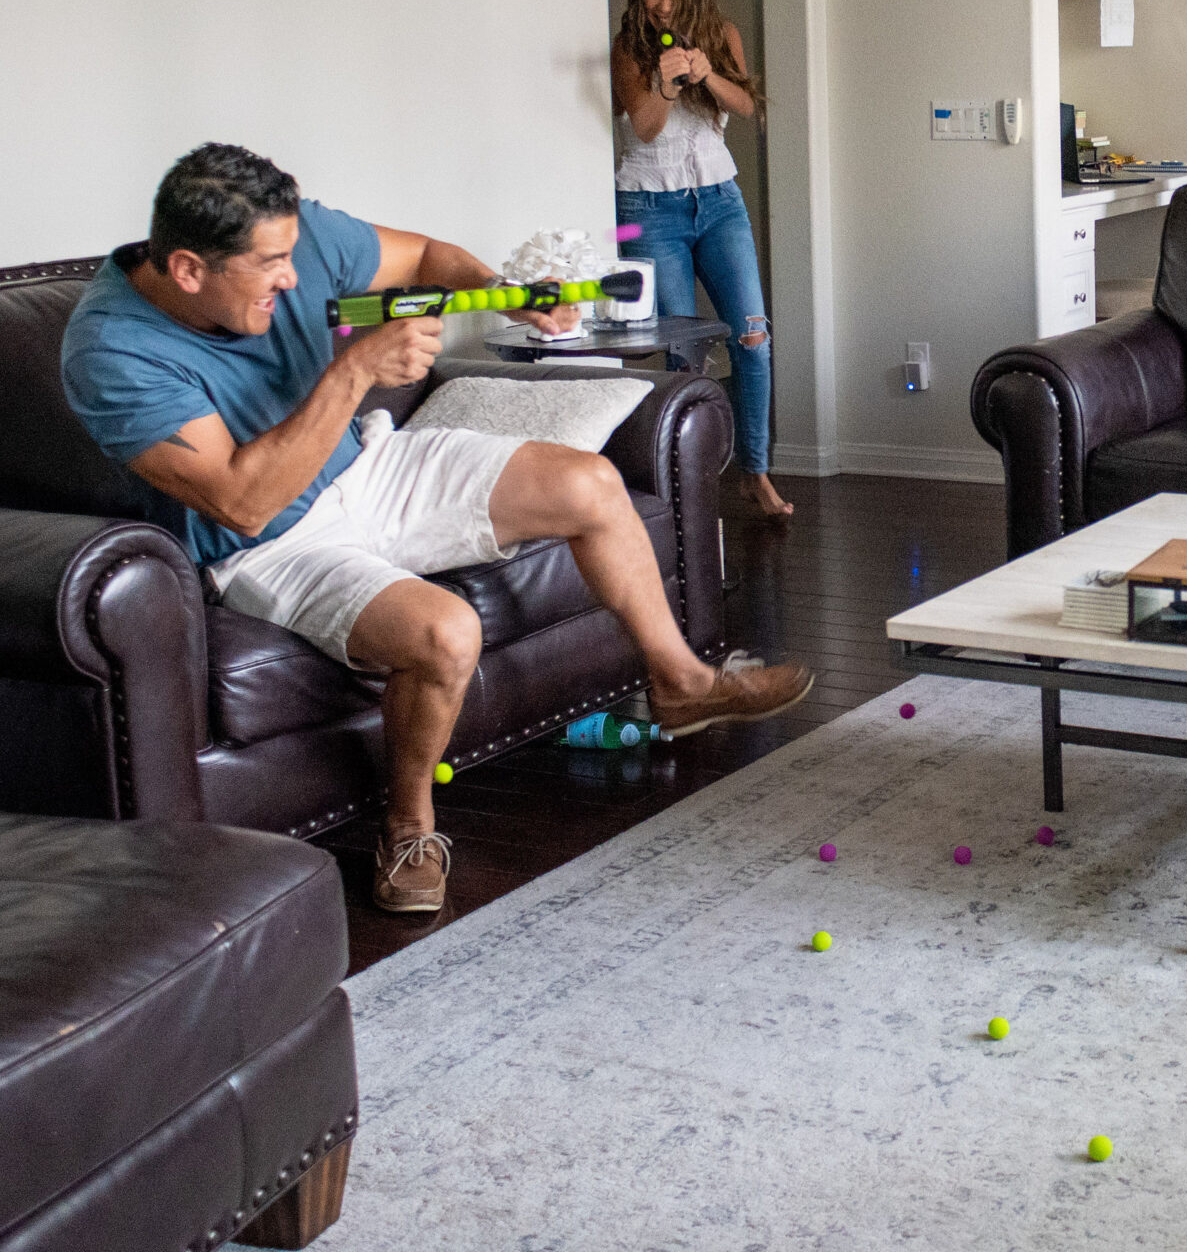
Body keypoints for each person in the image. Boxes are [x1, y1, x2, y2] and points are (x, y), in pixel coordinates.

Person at [61, 143, 816, 915]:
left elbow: (424, 255)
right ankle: (410, 825)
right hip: (266, 544)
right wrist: (353, 372)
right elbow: (242, 503)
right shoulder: (112, 351)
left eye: (291, 253)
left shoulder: (293, 235)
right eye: (269, 266)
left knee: (588, 482)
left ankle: (681, 684)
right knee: (447, 633)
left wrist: (502, 293)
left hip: (361, 468)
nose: (291, 277)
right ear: (189, 269)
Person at [611, 0, 791, 521]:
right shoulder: (627, 49)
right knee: (683, 353)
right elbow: (643, 127)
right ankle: (687, 485)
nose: (662, 6)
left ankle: (755, 472)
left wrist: (707, 73)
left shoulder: (721, 34)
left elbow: (746, 106)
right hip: (648, 208)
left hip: (719, 202)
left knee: (753, 338)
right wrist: (665, 83)